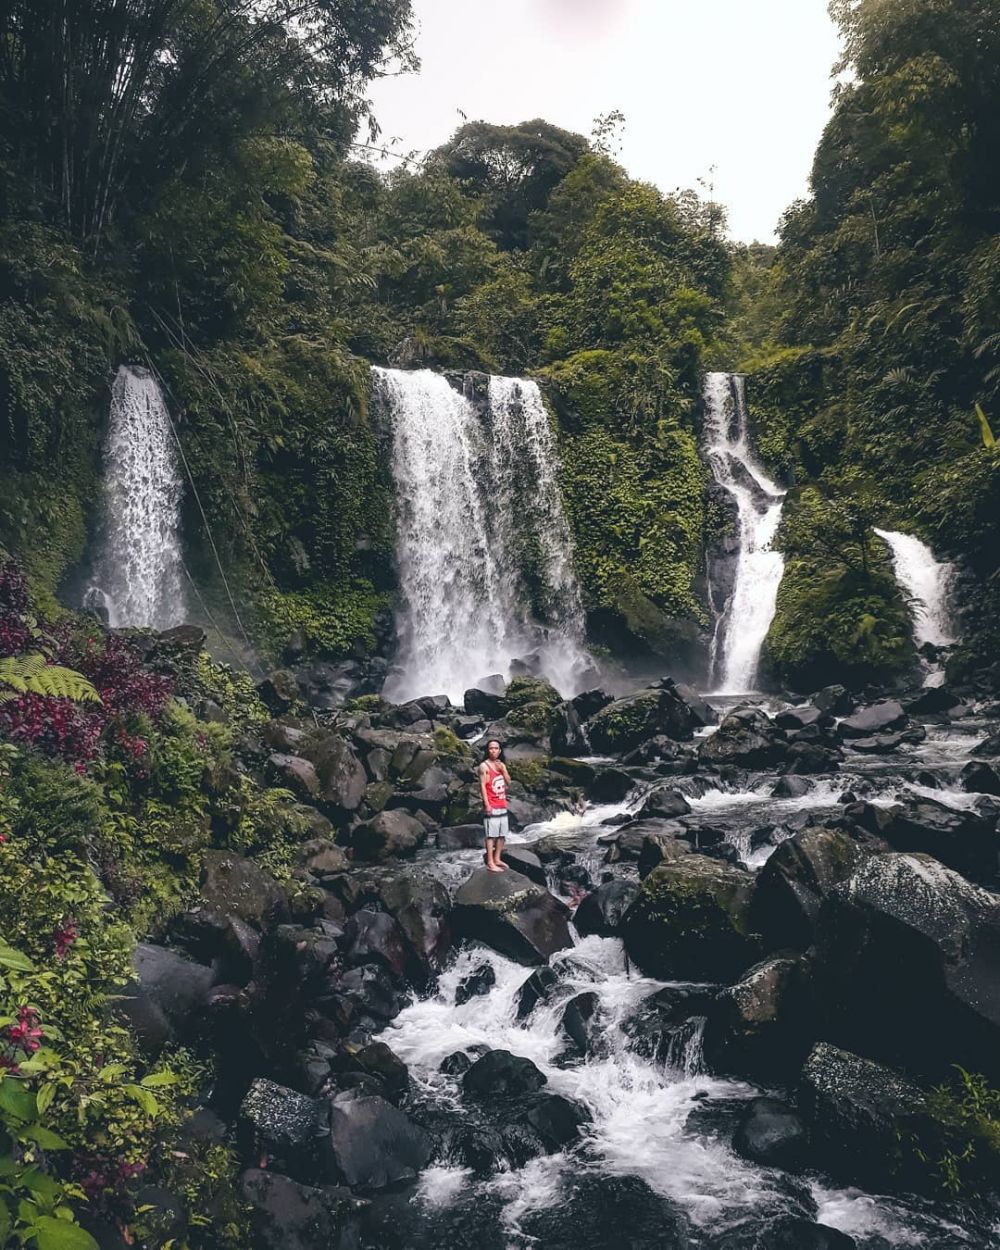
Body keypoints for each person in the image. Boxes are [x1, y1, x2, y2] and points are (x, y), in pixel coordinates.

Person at [479, 738, 511, 873]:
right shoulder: (484, 766)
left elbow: (509, 783)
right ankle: (490, 862)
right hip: (491, 804)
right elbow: (482, 787)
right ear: (487, 750)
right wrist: (487, 805)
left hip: (502, 803)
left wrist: (503, 770)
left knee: (502, 834)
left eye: (496, 748)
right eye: (491, 748)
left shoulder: (501, 765)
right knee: (491, 835)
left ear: (500, 750)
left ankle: (497, 858)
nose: (494, 750)